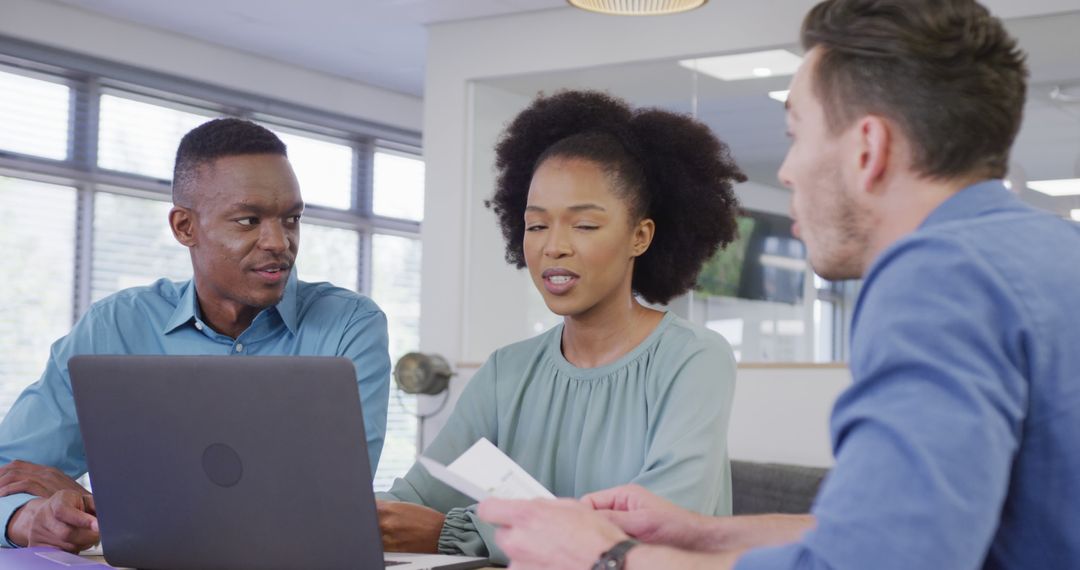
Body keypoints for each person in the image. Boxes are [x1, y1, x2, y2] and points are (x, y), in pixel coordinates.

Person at [479, 0, 1080, 568]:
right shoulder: (1049, 250)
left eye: (797, 135)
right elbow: (897, 530)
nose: (788, 171)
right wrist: (706, 532)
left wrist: (608, 558)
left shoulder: (938, 276)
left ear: (868, 149)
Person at [376, 90, 745, 563]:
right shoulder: (507, 371)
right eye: (536, 226)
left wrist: (456, 533)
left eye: (584, 226)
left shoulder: (693, 358)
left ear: (640, 236)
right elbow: (421, 497)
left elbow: (655, 529)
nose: (554, 247)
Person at [0, 118, 391, 553]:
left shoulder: (350, 326)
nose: (279, 242)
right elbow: (10, 471)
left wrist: (102, 504)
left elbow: (329, 501)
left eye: (291, 218)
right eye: (249, 220)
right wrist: (27, 518)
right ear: (185, 227)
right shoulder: (116, 326)